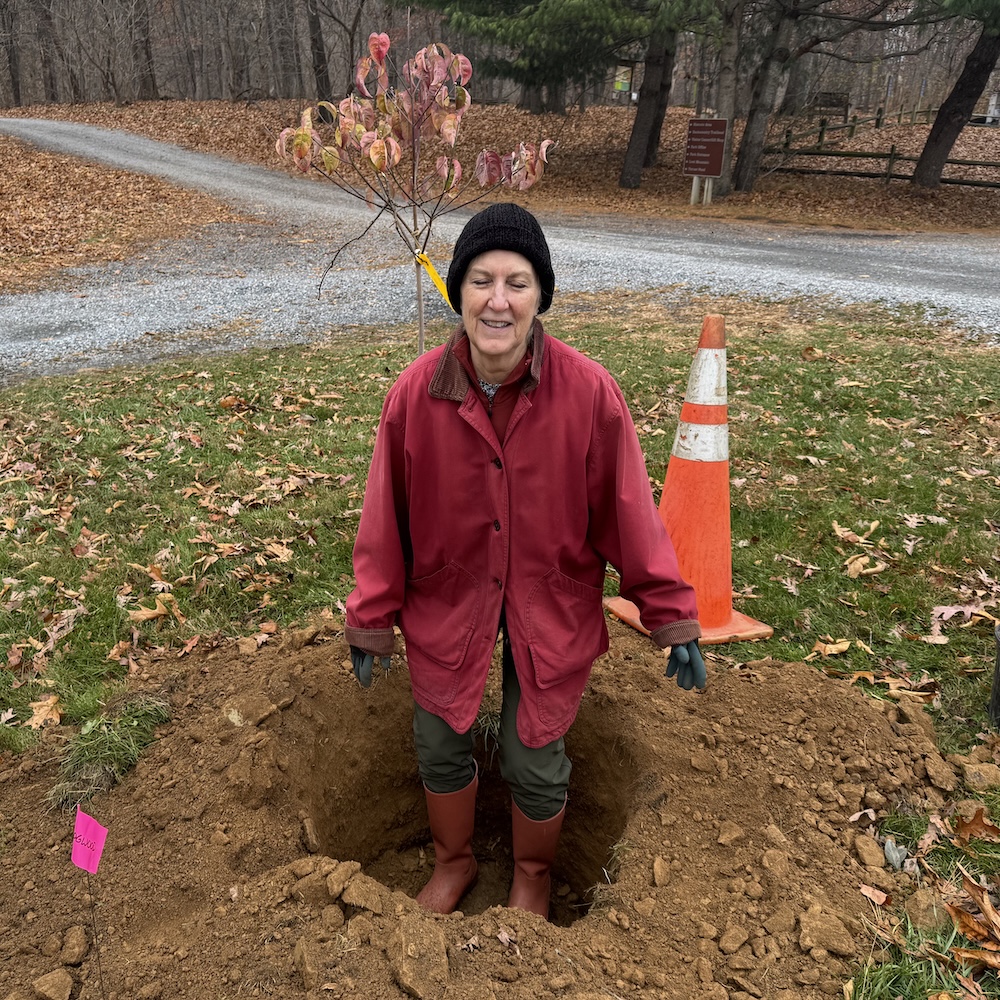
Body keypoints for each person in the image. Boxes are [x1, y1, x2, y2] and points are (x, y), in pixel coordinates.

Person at [345, 202, 705, 920]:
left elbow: (630, 515)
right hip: (451, 595)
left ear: (540, 295)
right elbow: (385, 520)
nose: (498, 300)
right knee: (437, 737)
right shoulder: (415, 397)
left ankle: (533, 878)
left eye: (517, 282)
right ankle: (454, 863)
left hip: (550, 594)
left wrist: (672, 615)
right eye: (481, 281)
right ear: (459, 292)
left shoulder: (590, 394)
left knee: (532, 752)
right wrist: (370, 618)